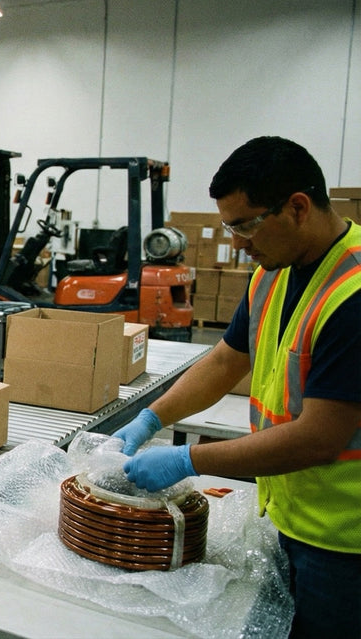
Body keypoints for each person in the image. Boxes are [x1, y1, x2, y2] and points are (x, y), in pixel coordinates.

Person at [111, 136, 361, 638]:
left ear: (297, 208)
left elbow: (319, 437)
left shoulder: (353, 296)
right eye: (231, 226)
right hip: (287, 510)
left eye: (245, 225)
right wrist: (151, 418)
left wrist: (187, 462)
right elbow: (226, 361)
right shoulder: (273, 272)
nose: (239, 243)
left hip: (344, 541)